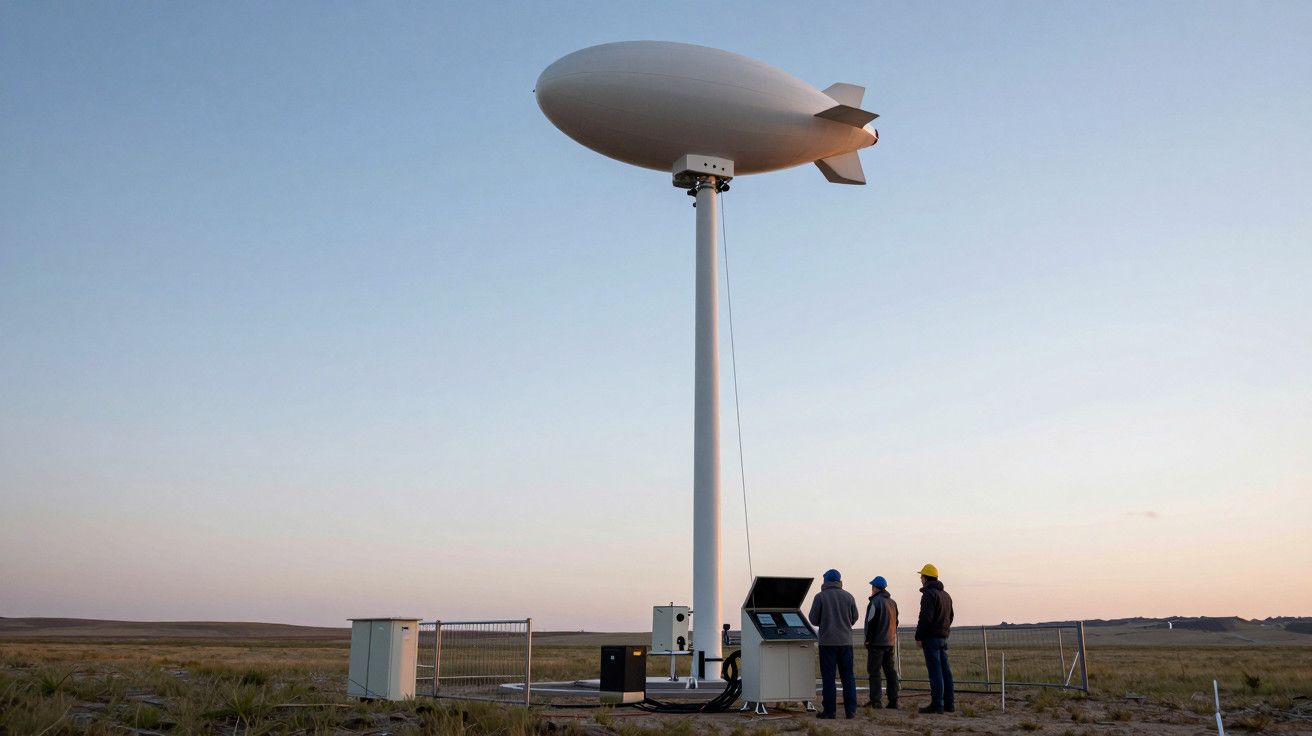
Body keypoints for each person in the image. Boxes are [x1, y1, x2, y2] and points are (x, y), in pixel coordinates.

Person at [808, 568, 860, 719]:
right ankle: (851, 710)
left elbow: (813, 619)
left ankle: (830, 711)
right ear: (839, 581)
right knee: (848, 677)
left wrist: (825, 621)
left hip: (827, 643)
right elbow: (854, 617)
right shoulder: (849, 597)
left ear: (825, 581)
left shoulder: (820, 597)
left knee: (829, 678)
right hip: (846, 643)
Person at [914, 563, 954, 714]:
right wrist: (944, 630)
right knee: (945, 671)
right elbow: (950, 616)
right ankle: (949, 704)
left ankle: (937, 704)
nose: (920, 579)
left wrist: (919, 636)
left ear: (925, 578)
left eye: (921, 576)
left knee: (935, 671)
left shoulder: (929, 594)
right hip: (943, 637)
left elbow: (925, 618)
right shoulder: (946, 595)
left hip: (931, 638)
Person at [864, 575, 898, 709]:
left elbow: (871, 623)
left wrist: (868, 640)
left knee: (874, 672)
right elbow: (897, 622)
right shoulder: (892, 603)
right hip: (890, 642)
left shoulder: (875, 602)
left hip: (877, 643)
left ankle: (876, 701)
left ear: (875, 588)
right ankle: (893, 701)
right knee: (890, 672)